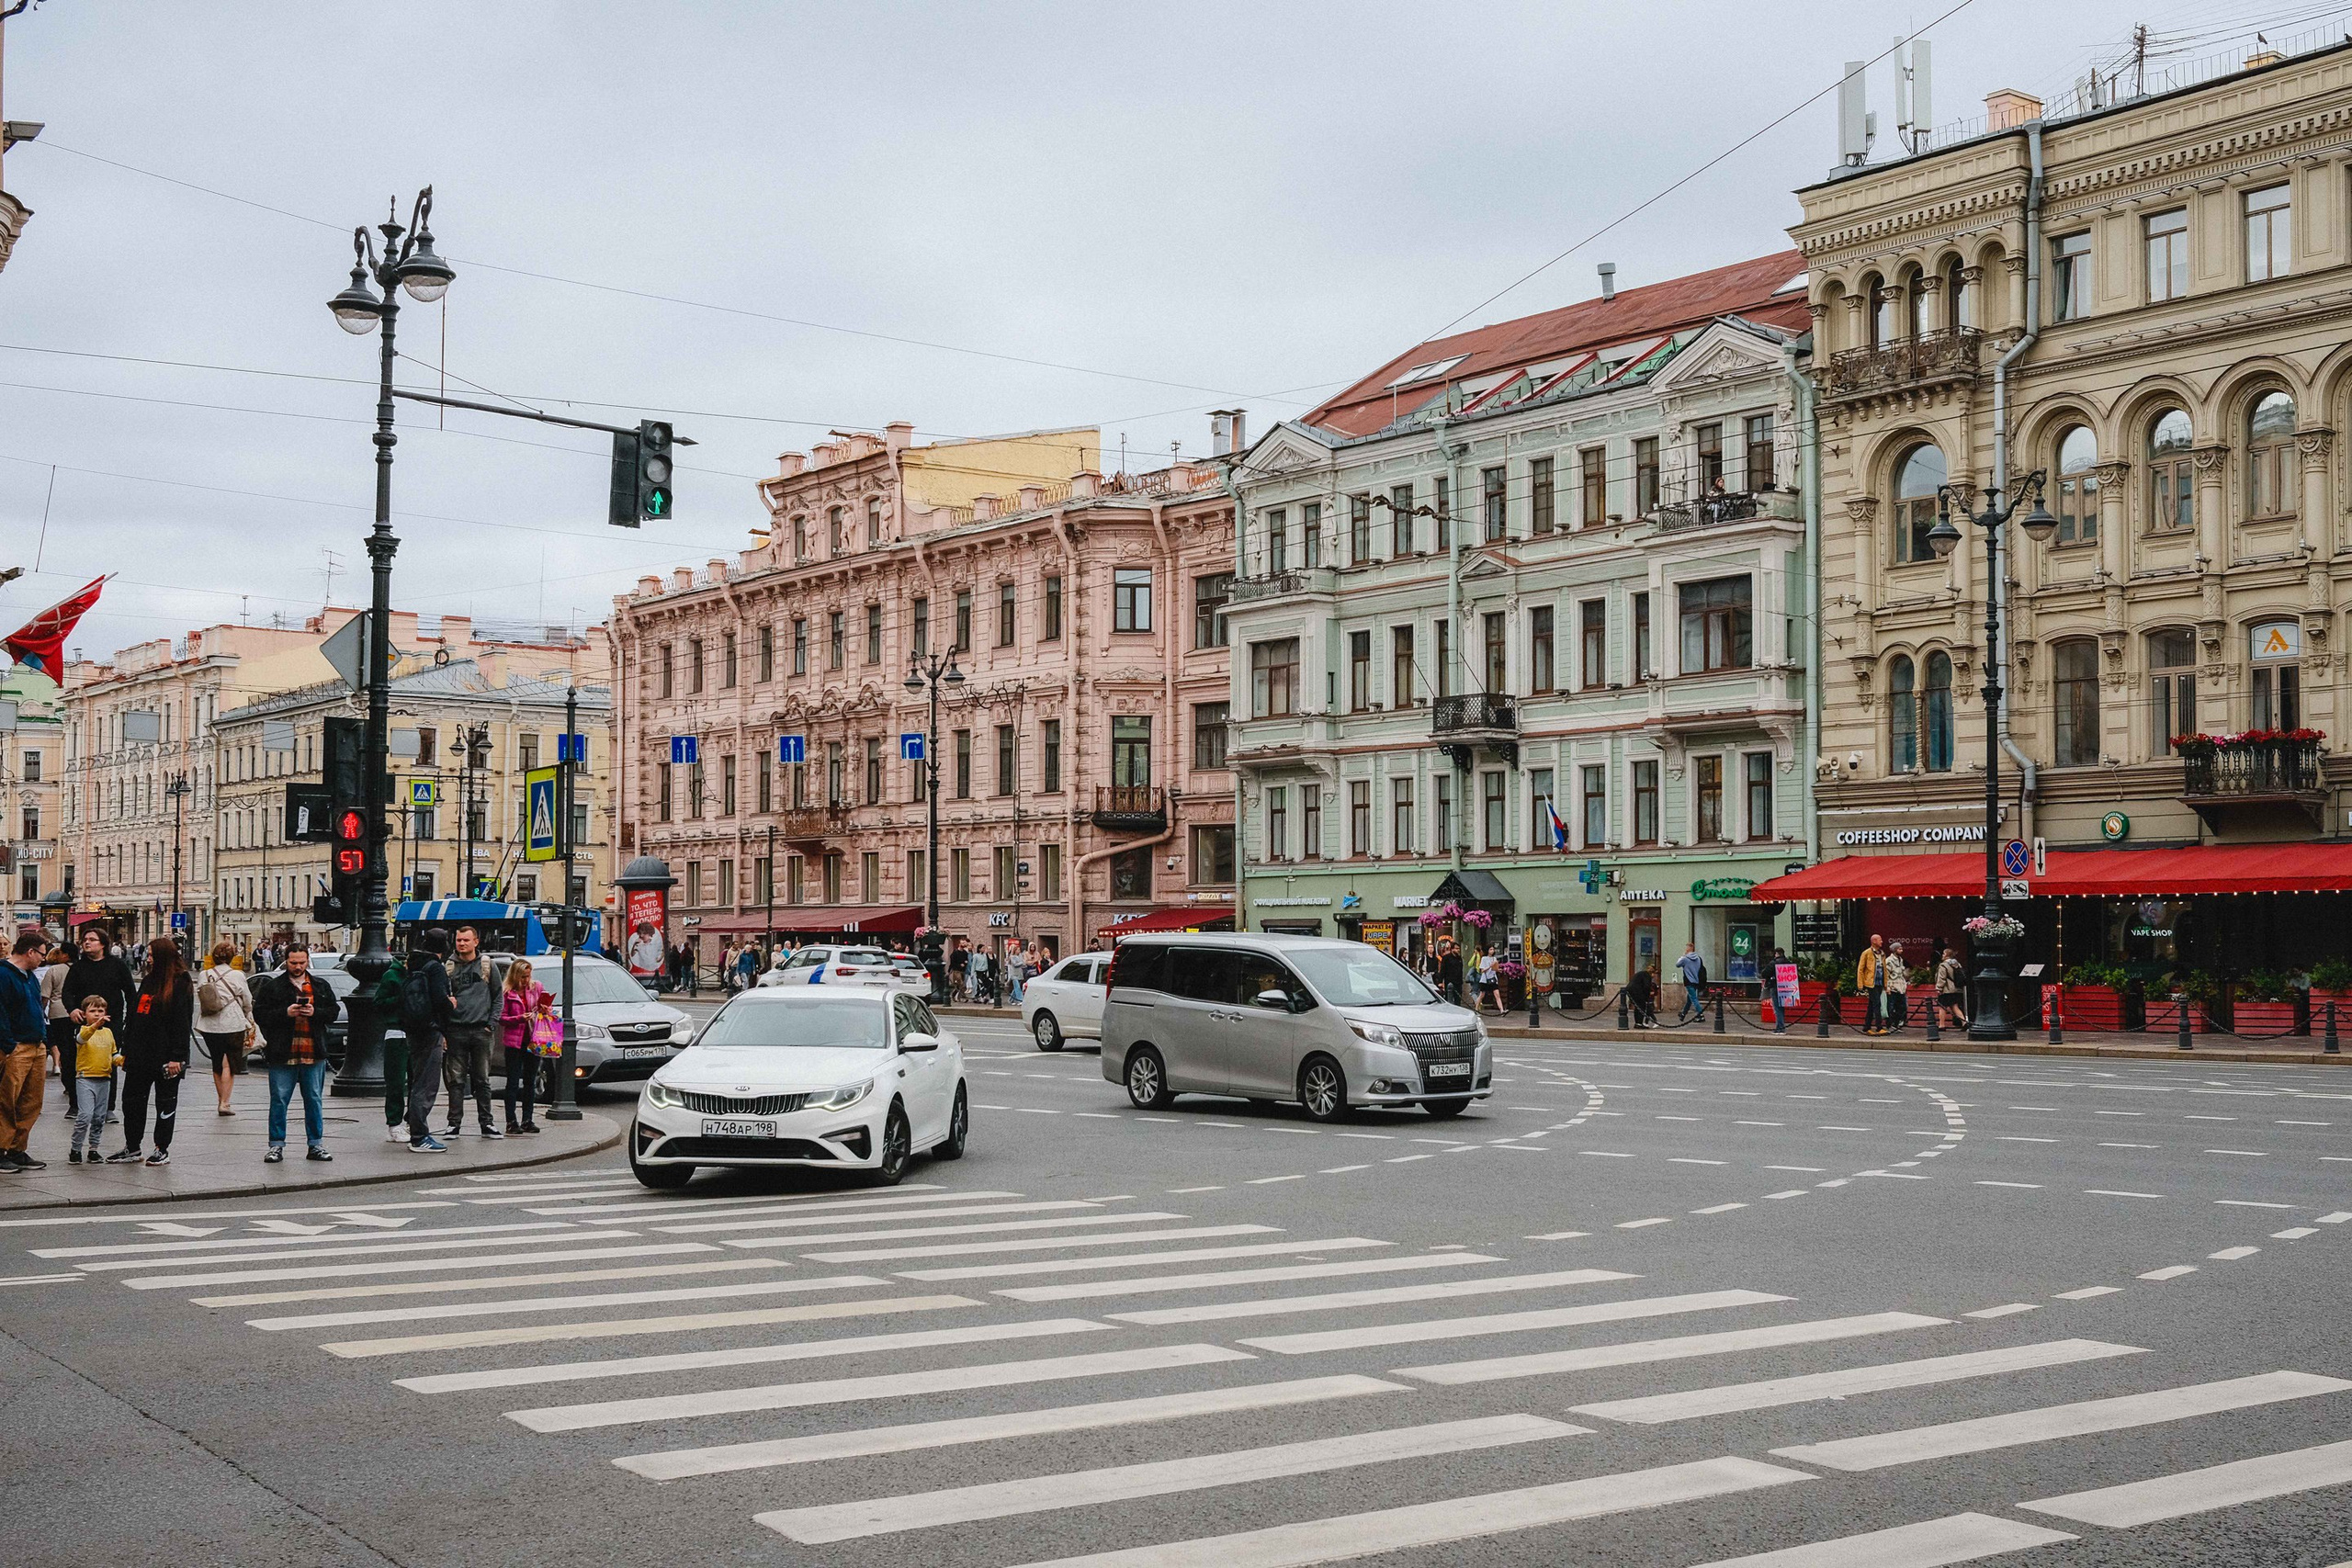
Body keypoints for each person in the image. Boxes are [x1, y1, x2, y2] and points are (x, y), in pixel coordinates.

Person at [252, 945, 339, 1163]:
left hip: (313, 1051)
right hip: (283, 1053)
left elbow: (333, 1012)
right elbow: (260, 1015)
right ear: (286, 962)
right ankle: (276, 1145)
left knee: (314, 1100)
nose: (298, 967)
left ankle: (315, 1144)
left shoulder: (319, 985)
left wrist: (314, 1012)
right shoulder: (275, 987)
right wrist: (286, 1013)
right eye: (293, 963)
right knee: (279, 1100)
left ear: (307, 960)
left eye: (302, 962)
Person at [111, 933, 192, 1166]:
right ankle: (132, 1147)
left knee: (165, 1103)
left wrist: (178, 1057)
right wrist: (126, 1049)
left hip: (166, 1056)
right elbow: (135, 1018)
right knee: (132, 1101)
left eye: (152, 955)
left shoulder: (180, 981)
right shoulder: (148, 981)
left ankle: (161, 1148)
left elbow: (181, 1023)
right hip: (139, 1054)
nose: (148, 959)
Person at [63, 930, 134, 1125]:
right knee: (76, 1061)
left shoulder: (117, 966)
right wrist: (72, 1009)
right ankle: (76, 1104)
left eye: (92, 940)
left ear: (103, 944)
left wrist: (129, 1019)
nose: (87, 943)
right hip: (84, 1024)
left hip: (111, 1025)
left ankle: (108, 1107)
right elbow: (67, 992)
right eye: (85, 940)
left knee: (109, 1062)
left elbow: (130, 992)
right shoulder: (78, 967)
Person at [398, 928, 455, 1152]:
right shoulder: (435, 968)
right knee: (426, 1084)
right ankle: (419, 1136)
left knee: (417, 1081)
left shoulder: (414, 963)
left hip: (414, 1027)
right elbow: (441, 1000)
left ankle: (416, 1129)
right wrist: (451, 1004)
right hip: (430, 1029)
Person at [442, 924, 502, 1139]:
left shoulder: (487, 965)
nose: (462, 944)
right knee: (456, 1080)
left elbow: (498, 996)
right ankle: (453, 1124)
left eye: (466, 940)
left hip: (481, 1031)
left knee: (482, 1080)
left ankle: (487, 1124)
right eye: (459, 940)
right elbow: (442, 1000)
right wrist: (445, 1030)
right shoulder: (449, 967)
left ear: (476, 942)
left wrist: (491, 1024)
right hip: (456, 1031)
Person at [0, 932, 49, 1172]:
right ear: (30, 952)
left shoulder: (30, 976)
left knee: (31, 1101)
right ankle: (1, 1150)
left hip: (36, 1044)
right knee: (6, 1100)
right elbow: (1, 1013)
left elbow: (38, 1009)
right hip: (16, 1046)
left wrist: (44, 1039)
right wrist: (8, 1045)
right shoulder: (3, 974)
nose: (43, 959)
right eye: (41, 954)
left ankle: (18, 1149)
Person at [196, 940, 255, 1117]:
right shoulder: (237, 975)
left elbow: (202, 997)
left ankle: (220, 1099)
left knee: (216, 1062)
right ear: (232, 958)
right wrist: (248, 1014)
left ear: (212, 957)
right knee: (229, 1062)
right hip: (232, 1023)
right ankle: (225, 1103)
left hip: (209, 1024)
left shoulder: (203, 974)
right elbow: (247, 999)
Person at [499, 957, 551, 1135]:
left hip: (534, 1040)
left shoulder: (536, 988)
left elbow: (546, 1008)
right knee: (513, 1082)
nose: (526, 981)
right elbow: (502, 1018)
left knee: (530, 1081)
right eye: (522, 977)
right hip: (514, 1042)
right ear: (515, 976)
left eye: (528, 976)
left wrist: (545, 1009)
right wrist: (519, 1018)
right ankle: (511, 1121)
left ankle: (527, 1119)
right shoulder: (507, 993)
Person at [67, 993, 121, 1165]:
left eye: (101, 1010)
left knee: (99, 1117)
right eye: (93, 1011)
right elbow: (82, 1040)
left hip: (104, 1079)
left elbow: (113, 1055)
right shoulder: (82, 1029)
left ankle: (94, 1148)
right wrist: (95, 1025)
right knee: (85, 1115)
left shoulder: (108, 1033)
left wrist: (123, 1059)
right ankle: (75, 1149)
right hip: (85, 1078)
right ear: (84, 1014)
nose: (97, 1014)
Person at [1857, 933, 1887, 1035]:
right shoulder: (1867, 953)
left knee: (1871, 1005)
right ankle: (1879, 1027)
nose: (1881, 941)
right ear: (1874, 941)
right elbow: (1861, 969)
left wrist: (1885, 984)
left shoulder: (1882, 954)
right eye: (1880, 940)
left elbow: (1885, 970)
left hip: (1879, 982)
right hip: (1871, 983)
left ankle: (1867, 1027)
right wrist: (1860, 984)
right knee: (1877, 1004)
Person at [1674, 942, 1709, 1025]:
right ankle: (1683, 1014)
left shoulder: (1685, 959)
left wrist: (1682, 956)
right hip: (1696, 980)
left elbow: (1677, 965)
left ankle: (1700, 1015)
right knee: (1690, 999)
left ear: (1687, 949)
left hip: (1689, 981)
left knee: (1693, 998)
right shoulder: (1698, 958)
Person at [1936, 942, 1968, 1030]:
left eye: (1943, 953)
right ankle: (1964, 1023)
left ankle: (1941, 1025)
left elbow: (1942, 978)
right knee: (1954, 1006)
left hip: (1947, 989)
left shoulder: (1943, 965)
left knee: (1942, 1007)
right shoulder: (1957, 964)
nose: (1942, 955)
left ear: (1947, 955)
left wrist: (1939, 988)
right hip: (1956, 989)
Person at [1884, 942, 1911, 1032]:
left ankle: (1896, 1025)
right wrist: (1887, 987)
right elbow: (1886, 975)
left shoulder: (1901, 960)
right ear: (1895, 950)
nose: (1901, 950)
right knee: (1891, 1007)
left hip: (1901, 988)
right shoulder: (1889, 961)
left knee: (1902, 1007)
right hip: (1892, 987)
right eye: (1899, 949)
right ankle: (1890, 1025)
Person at [1628, 963, 1659, 1029]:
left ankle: (1638, 1023)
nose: (1654, 976)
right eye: (1655, 974)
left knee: (1637, 1007)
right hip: (1637, 991)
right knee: (1641, 1006)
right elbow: (1646, 987)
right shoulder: (1647, 976)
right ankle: (1639, 1023)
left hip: (1631, 990)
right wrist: (1647, 997)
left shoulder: (1642, 973)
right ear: (1652, 973)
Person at [1436, 939, 1464, 1008]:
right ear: (1452, 949)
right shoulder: (1446, 958)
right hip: (1449, 981)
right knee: (1449, 998)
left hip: (1458, 982)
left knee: (1458, 1000)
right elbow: (1442, 970)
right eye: (1456, 948)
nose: (1458, 950)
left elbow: (1461, 970)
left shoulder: (1459, 958)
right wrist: (1440, 981)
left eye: (1459, 949)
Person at [1476, 949, 1500, 1014]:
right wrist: (1490, 966)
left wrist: (1498, 969)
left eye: (1493, 949)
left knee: (1497, 994)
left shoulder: (1494, 958)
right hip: (1485, 980)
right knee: (1482, 995)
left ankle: (1502, 1010)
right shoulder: (1484, 958)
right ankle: (1476, 1008)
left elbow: (1496, 969)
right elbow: (1482, 970)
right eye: (1490, 949)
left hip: (1493, 979)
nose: (1492, 951)